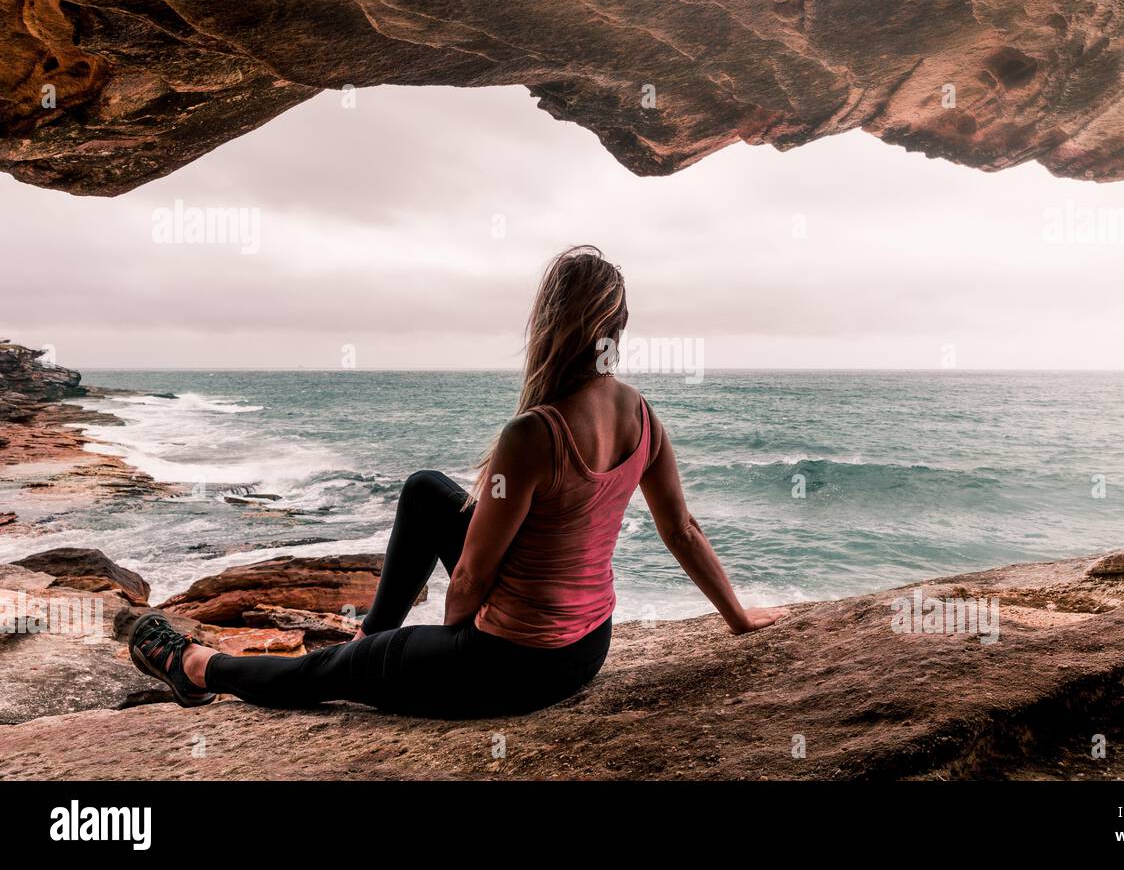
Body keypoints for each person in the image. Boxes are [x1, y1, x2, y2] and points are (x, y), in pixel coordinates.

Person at [130, 246, 787, 718]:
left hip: (513, 666)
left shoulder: (535, 434)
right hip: (589, 646)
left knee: (326, 673)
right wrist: (738, 618)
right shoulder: (643, 417)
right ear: (616, 327)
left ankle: (195, 667)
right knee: (424, 490)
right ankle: (372, 635)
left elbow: (470, 577)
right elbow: (683, 528)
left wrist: (448, 646)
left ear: (551, 322)